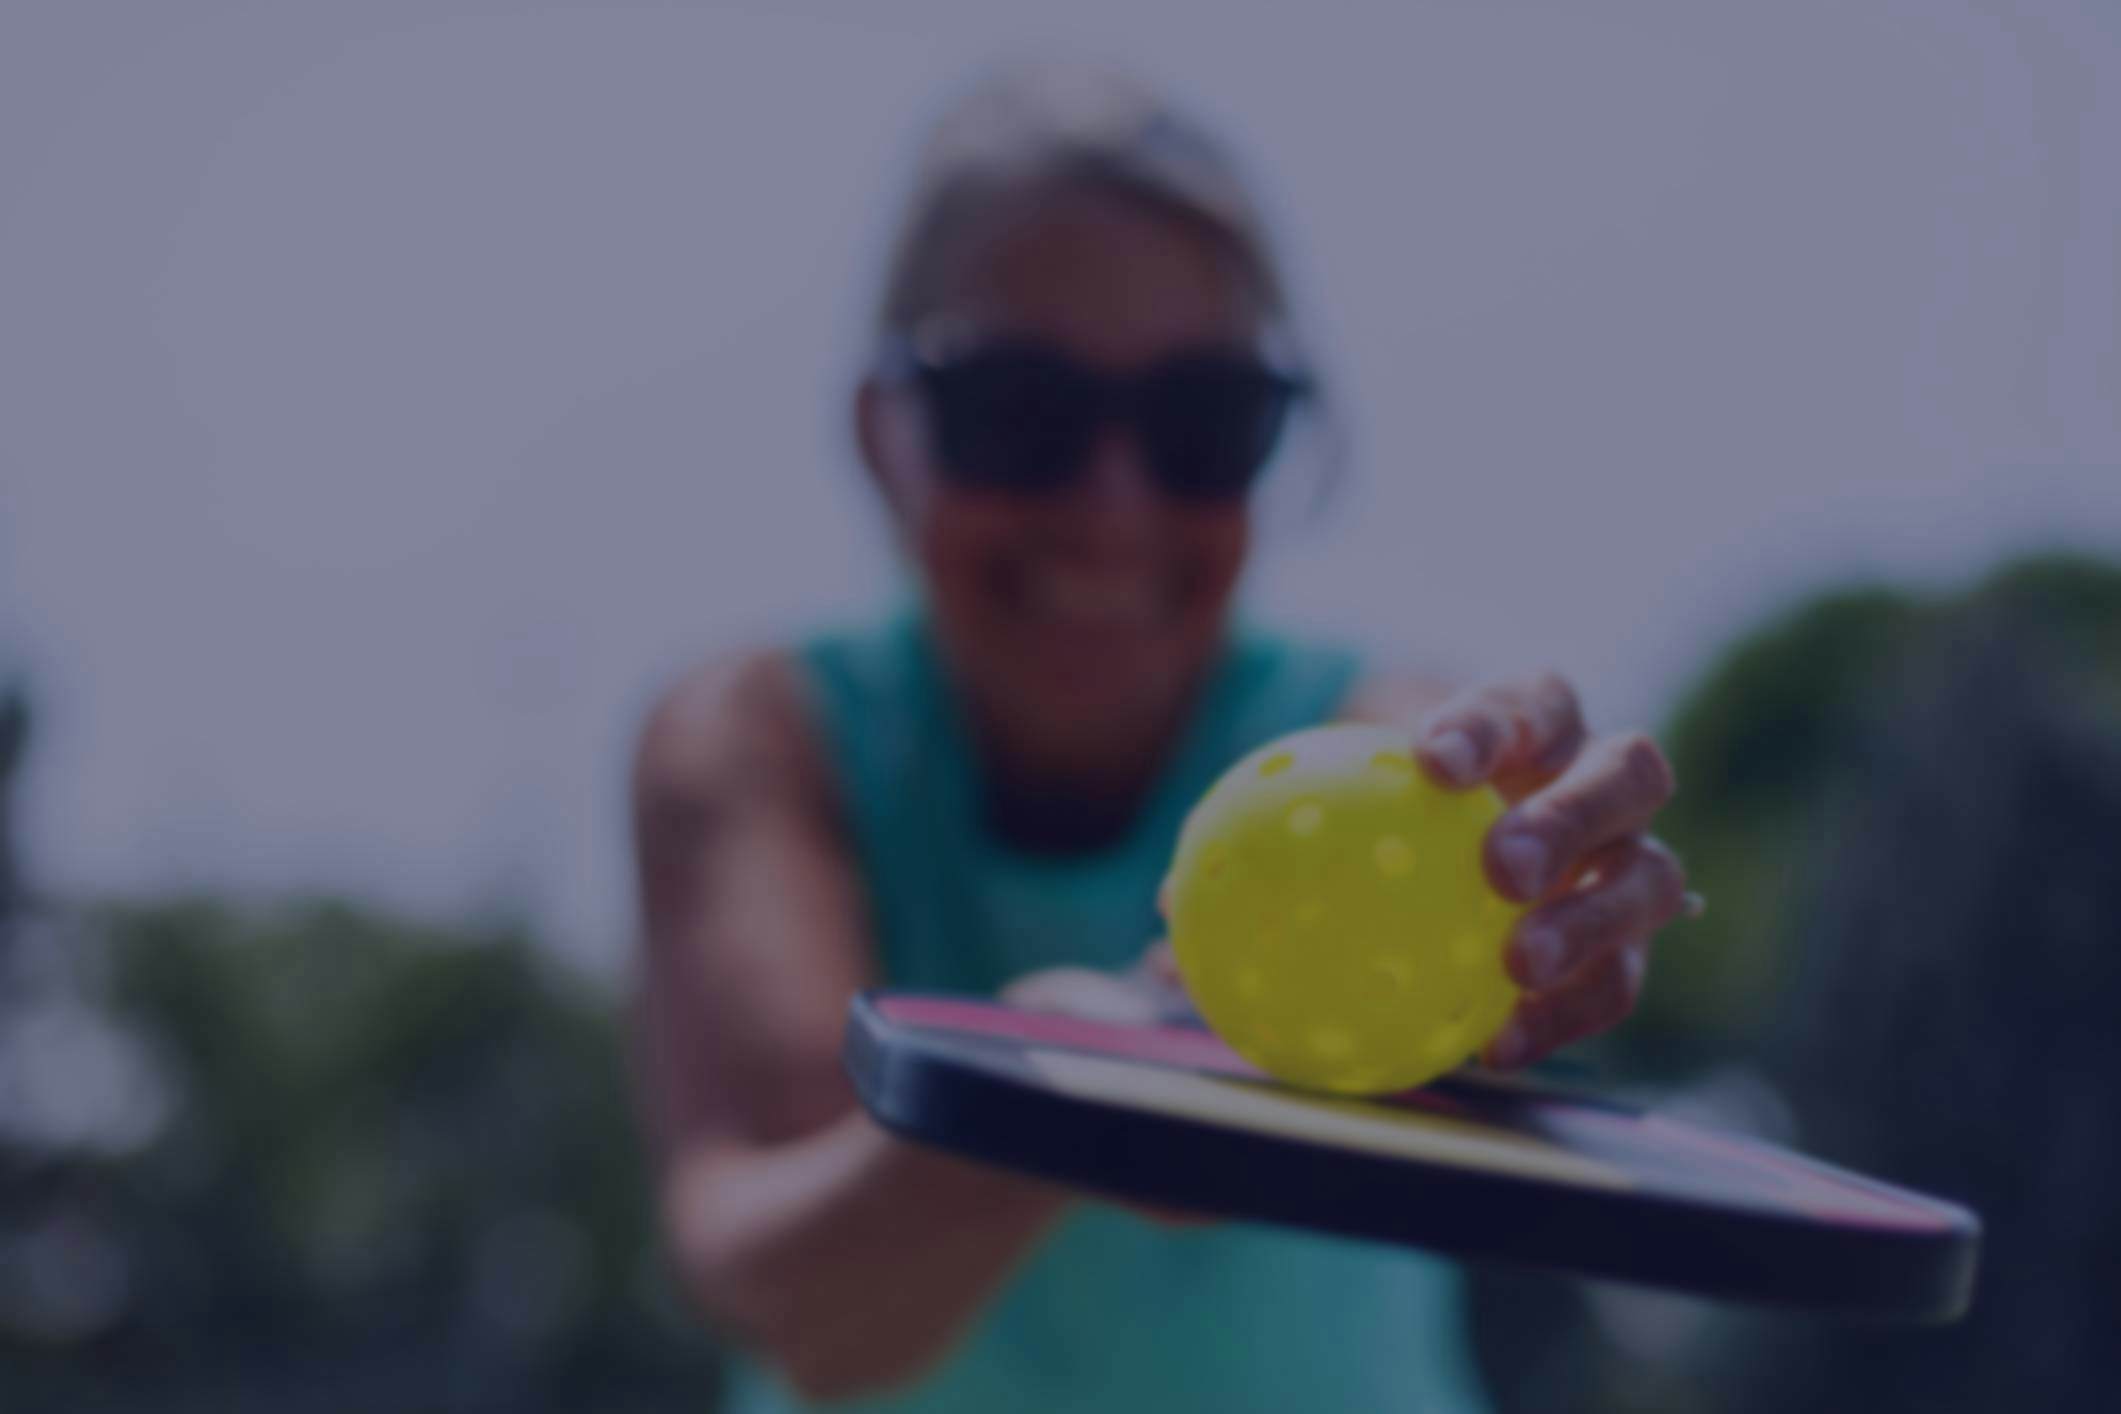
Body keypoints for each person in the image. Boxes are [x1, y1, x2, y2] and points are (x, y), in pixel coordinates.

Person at [630, 63, 1689, 1413]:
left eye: (1203, 422)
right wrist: (1066, 1081)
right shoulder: (752, 741)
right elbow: (805, 1310)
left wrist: (1539, 882)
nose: (1112, 506)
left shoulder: (1372, 724)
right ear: (878, 431)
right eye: (1019, 411)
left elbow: (1433, 753)